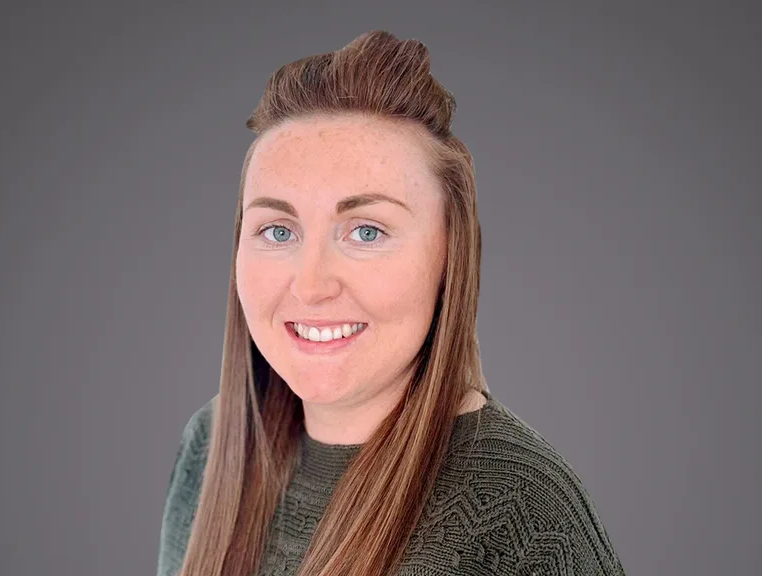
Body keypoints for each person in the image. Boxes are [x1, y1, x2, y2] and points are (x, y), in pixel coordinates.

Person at [157, 30, 626, 576]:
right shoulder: (210, 447)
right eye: (278, 231)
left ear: (450, 256)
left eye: (367, 232)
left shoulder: (521, 511)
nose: (310, 286)